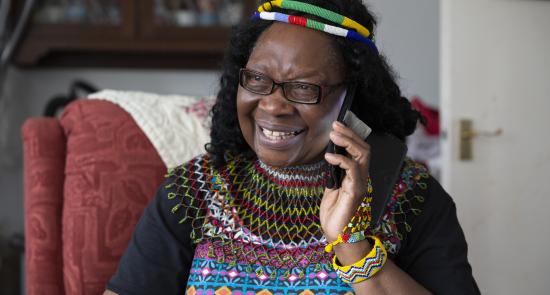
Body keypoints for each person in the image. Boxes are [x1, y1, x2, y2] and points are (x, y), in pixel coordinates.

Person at [104, 0, 480, 294]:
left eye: (302, 88)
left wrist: (352, 245)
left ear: (350, 100)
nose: (272, 105)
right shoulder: (193, 192)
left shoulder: (412, 198)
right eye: (257, 80)